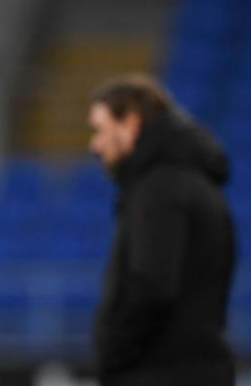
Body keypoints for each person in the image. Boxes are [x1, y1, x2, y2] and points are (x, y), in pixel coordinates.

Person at [88, 74, 235, 386]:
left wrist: (113, 358)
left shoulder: (157, 189)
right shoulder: (199, 184)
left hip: (159, 373)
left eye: (100, 130)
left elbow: (151, 287)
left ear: (130, 123)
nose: (94, 145)